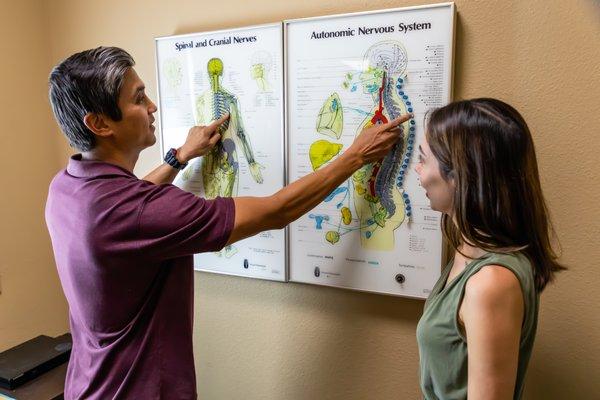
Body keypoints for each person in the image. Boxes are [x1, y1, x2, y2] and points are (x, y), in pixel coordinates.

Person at [45, 46, 411, 399]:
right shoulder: (141, 212)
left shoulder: (67, 188)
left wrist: (179, 157)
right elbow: (275, 211)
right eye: (139, 99)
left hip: (88, 385)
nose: (152, 106)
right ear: (99, 123)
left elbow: (129, 204)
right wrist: (355, 156)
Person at [415, 98, 565, 400]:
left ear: (460, 175)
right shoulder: (471, 250)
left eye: (424, 159)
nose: (417, 170)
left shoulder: (491, 282)